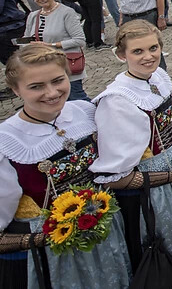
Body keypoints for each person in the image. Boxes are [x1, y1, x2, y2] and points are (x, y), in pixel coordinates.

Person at [90, 20, 172, 287]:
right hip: (153, 189)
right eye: (138, 51)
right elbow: (115, 175)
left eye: (153, 48)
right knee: (171, 246)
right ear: (121, 55)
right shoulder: (117, 101)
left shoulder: (157, 77)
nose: (148, 56)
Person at [0, 45, 131, 289]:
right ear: (16, 90)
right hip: (54, 250)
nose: (51, 93)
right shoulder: (7, 142)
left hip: (106, 231)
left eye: (58, 80)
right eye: (36, 86)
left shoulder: (84, 112)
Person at [23, 0, 88, 100]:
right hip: (44, 69)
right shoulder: (33, 16)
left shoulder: (67, 13)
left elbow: (79, 40)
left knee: (76, 99)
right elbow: (27, 39)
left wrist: (51, 45)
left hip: (66, 66)